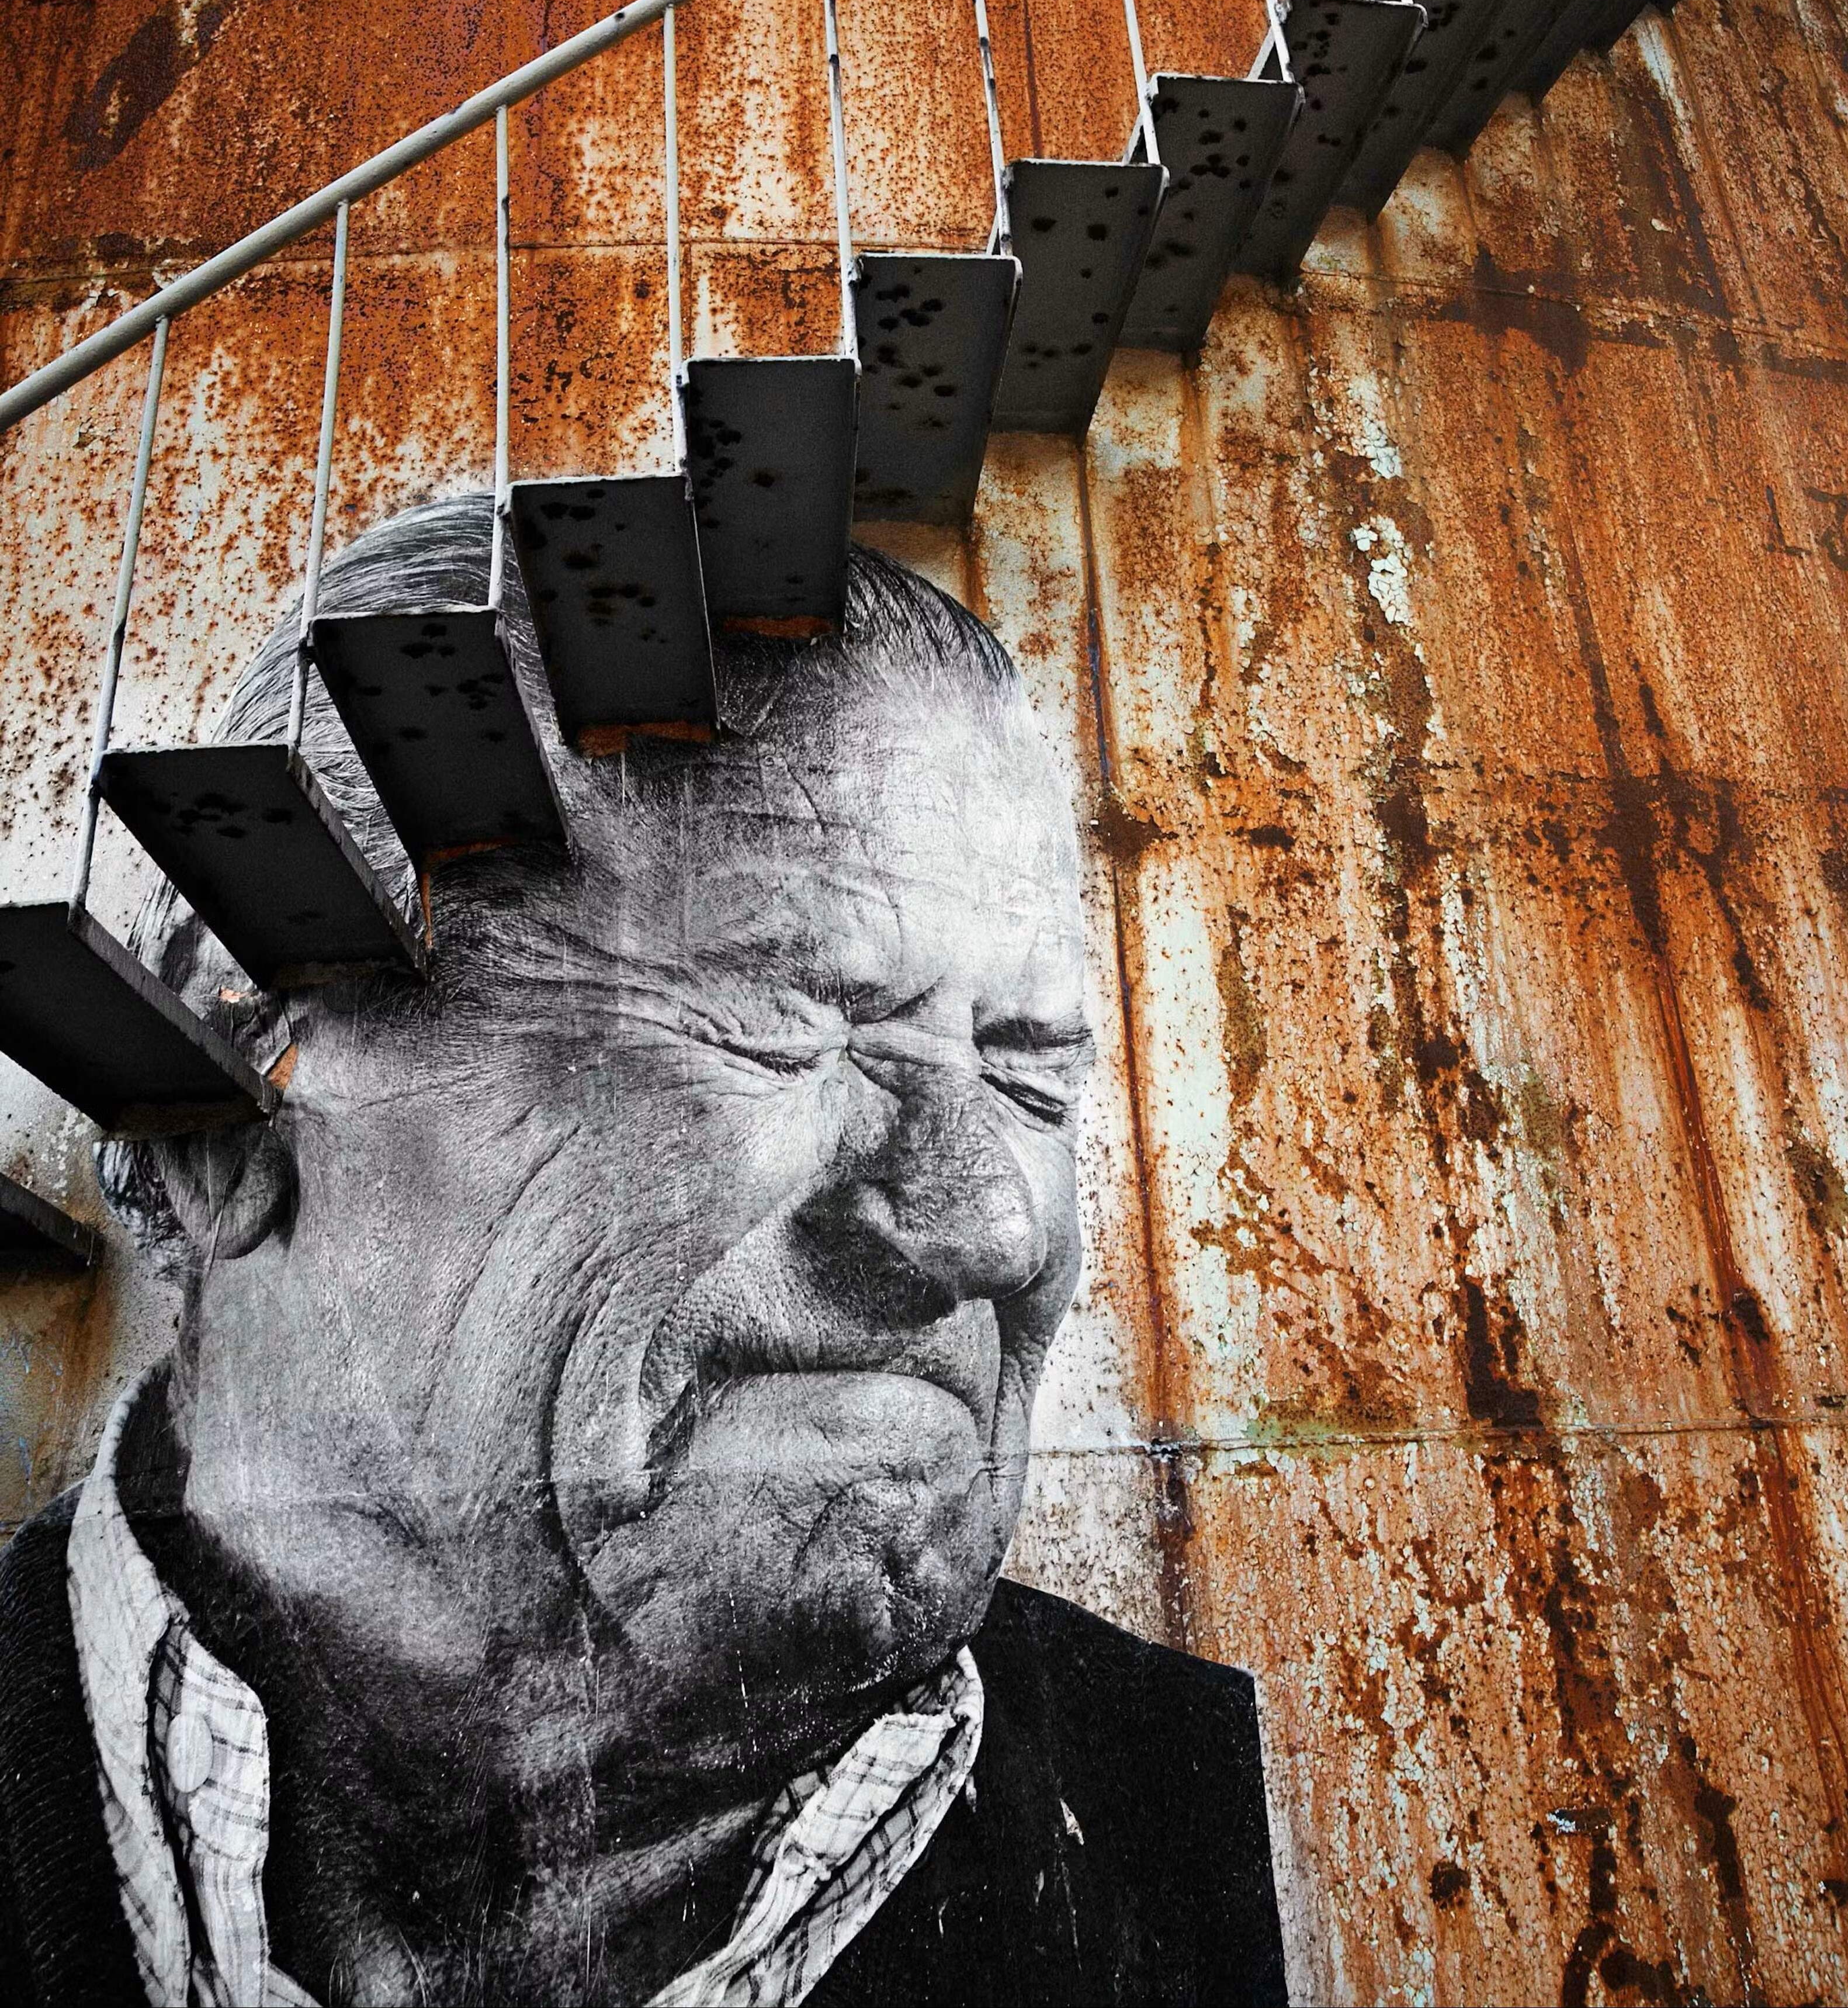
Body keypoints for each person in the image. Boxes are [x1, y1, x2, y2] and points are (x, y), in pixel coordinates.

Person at [0, 501, 1288, 2007]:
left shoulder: (1172, 1795)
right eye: (783, 1020)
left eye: (1033, 1076)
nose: (989, 1225)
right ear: (228, 1122)